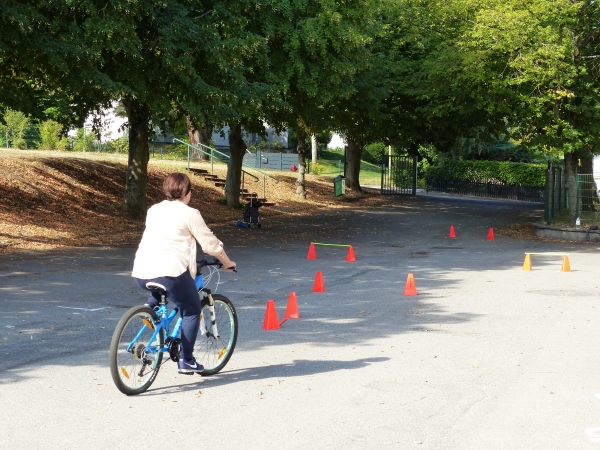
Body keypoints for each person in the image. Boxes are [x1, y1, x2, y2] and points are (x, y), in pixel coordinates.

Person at [131, 172, 236, 374]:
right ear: (187, 192)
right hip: (170, 271)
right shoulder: (190, 213)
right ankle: (186, 360)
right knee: (191, 310)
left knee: (161, 283)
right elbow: (210, 245)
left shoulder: (154, 210)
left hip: (141, 271)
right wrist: (227, 262)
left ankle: (150, 308)